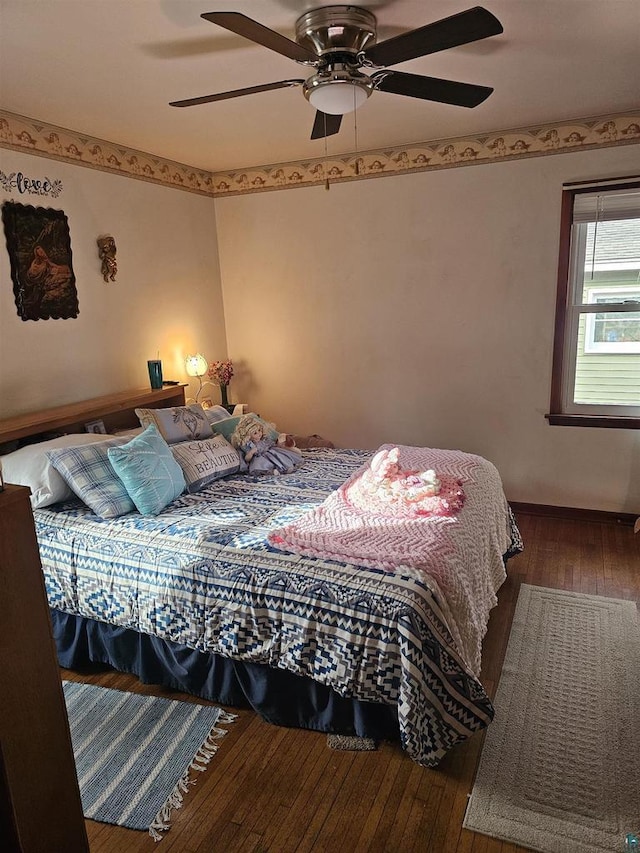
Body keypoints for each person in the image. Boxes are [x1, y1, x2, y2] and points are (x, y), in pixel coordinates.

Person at [231, 414, 301, 476]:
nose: (259, 434)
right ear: (248, 435)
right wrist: (251, 452)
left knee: (279, 457)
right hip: (259, 457)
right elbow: (247, 459)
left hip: (269, 453)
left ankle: (286, 468)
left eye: (259, 430)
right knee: (261, 465)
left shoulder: (263, 439)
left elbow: (271, 444)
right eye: (255, 433)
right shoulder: (248, 444)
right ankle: (270, 472)